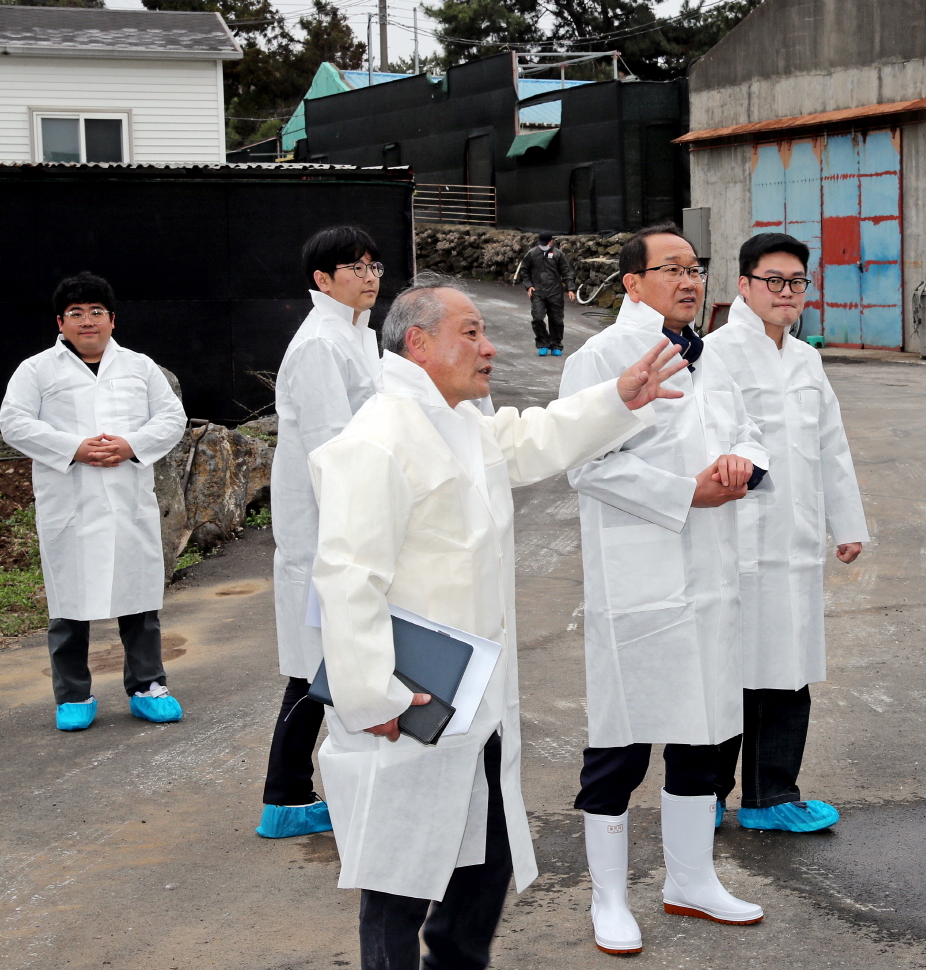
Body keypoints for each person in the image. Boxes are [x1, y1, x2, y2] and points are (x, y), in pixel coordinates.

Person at [311, 274, 685, 970]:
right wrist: (373, 698)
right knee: (399, 881)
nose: (489, 348)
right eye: (473, 333)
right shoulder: (379, 437)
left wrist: (616, 398)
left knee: (483, 866)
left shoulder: (454, 422)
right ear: (419, 343)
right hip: (411, 702)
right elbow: (346, 576)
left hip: (475, 702)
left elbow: (526, 439)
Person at [558, 222, 770, 956]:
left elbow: (749, 430)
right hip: (639, 579)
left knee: (703, 735)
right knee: (621, 742)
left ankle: (690, 881)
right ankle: (609, 899)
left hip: (709, 576)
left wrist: (743, 463)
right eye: (672, 268)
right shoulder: (601, 357)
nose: (689, 281)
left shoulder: (707, 357)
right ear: (632, 282)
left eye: (695, 268)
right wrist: (688, 493)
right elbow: (586, 464)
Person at [705, 232, 868, 833]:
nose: (786, 292)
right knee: (736, 672)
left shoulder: (806, 359)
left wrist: (845, 524)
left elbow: (832, 446)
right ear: (743, 285)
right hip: (737, 543)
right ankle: (707, 794)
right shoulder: (715, 354)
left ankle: (772, 796)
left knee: (790, 669)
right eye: (773, 280)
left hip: (794, 545)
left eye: (796, 282)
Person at [0, 272, 186, 731]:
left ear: (112, 320)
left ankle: (147, 685)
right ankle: (73, 696)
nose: (88, 322)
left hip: (127, 498)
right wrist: (74, 449)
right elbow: (14, 422)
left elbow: (171, 417)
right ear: (61, 323)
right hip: (71, 501)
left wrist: (130, 445)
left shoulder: (140, 367)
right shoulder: (36, 369)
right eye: (77, 314)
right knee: (68, 602)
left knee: (139, 598)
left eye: (96, 313)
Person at [257, 227, 385, 840]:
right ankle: (285, 797)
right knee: (321, 666)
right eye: (354, 267)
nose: (369, 275)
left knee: (329, 663)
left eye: (373, 265)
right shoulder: (319, 346)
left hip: (352, 523)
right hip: (328, 527)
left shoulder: (359, 337)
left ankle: (291, 794)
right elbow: (336, 447)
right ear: (322, 280)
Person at [520, 232, 576, 357]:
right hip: (538, 292)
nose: (544, 246)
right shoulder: (532, 254)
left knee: (556, 319)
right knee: (538, 318)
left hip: (555, 291)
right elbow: (525, 270)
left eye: (546, 243)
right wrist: (529, 286)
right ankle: (543, 343)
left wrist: (571, 288)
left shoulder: (558, 254)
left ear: (551, 242)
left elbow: (566, 272)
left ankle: (556, 345)